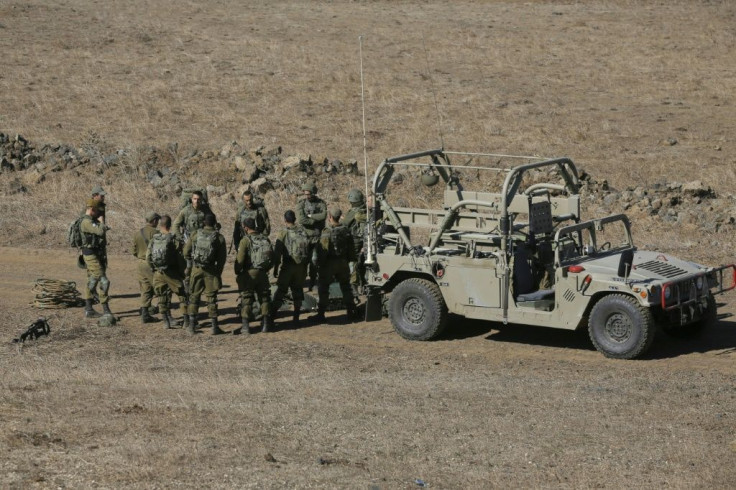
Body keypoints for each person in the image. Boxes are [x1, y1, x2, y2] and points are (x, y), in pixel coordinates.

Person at [310, 207, 358, 322]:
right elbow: (352, 248)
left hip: (329, 264)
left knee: (324, 288)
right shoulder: (346, 230)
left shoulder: (327, 231)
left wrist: (318, 264)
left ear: (330, 217)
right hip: (343, 263)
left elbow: (323, 250)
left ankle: (321, 314)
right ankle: (351, 311)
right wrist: (351, 261)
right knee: (346, 287)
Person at [183, 214, 227, 335]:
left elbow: (186, 251)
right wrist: (217, 272)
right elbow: (222, 260)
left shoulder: (195, 235)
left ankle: (192, 326)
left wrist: (191, 262)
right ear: (214, 223)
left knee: (194, 297)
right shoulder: (220, 238)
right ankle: (214, 326)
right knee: (211, 298)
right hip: (211, 270)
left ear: (204, 222)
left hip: (196, 269)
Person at [147, 215, 189, 331]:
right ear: (170, 226)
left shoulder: (154, 239)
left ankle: (166, 322)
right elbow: (181, 258)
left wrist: (153, 268)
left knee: (161, 296)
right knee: (182, 295)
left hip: (158, 272)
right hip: (172, 272)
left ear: (160, 225)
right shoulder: (174, 239)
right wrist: (181, 272)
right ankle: (186, 321)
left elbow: (148, 256)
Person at [234, 218, 274, 335]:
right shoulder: (265, 238)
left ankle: (246, 326)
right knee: (264, 298)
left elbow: (240, 259)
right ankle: (266, 324)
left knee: (247, 298)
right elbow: (272, 257)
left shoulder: (245, 240)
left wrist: (238, 271)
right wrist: (266, 269)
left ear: (245, 228)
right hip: (263, 273)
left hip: (249, 273)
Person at [272, 210, 310, 327]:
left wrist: (276, 268)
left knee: (281, 291)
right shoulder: (303, 231)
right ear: (295, 219)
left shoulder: (283, 232)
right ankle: (296, 317)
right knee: (297, 290)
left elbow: (277, 253)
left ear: (285, 220)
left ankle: (271, 317)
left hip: (288, 266)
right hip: (301, 267)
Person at [173, 190, 215, 291]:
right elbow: (176, 225)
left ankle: (201, 285)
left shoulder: (206, 210)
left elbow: (213, 222)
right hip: (189, 242)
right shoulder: (185, 211)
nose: (197, 201)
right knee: (188, 265)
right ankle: (187, 287)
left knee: (203, 264)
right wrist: (181, 238)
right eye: (195, 199)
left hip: (203, 243)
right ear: (191, 199)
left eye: (199, 199)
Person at [80, 199, 112, 318]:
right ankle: (106, 309)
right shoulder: (86, 222)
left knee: (91, 279)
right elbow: (99, 231)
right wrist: (102, 222)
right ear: (92, 209)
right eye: (96, 211)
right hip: (90, 256)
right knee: (104, 281)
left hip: (94, 254)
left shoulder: (90, 221)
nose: (98, 213)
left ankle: (89, 308)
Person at [295, 180, 327, 291]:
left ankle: (313, 282)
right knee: (303, 260)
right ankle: (301, 283)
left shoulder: (321, 203)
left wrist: (310, 216)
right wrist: (313, 221)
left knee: (315, 261)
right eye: (305, 193)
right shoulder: (301, 203)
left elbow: (324, 215)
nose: (307, 195)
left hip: (317, 236)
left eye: (309, 193)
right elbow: (301, 219)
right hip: (304, 237)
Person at [131, 211, 160, 324]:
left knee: (145, 288)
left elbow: (133, 251)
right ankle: (166, 315)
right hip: (151, 264)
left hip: (140, 264)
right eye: (157, 220)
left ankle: (145, 314)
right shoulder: (156, 234)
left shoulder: (138, 233)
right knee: (160, 288)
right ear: (154, 221)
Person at [342, 188, 368, 299]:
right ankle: (365, 285)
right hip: (366, 240)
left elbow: (345, 224)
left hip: (355, 241)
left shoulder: (354, 212)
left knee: (353, 263)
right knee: (364, 264)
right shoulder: (366, 210)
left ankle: (354, 287)